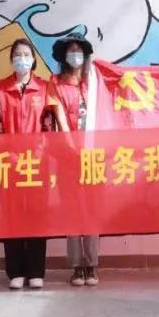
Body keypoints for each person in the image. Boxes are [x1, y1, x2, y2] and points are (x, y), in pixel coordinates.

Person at [0, 39, 50, 290]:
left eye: (26, 54)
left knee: (37, 215)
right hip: (9, 162)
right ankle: (15, 271)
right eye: (17, 54)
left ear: (33, 59)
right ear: (11, 60)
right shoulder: (1, 88)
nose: (22, 59)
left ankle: (36, 271)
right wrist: (6, 153)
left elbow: (49, 126)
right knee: (12, 215)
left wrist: (39, 152)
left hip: (36, 162)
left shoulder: (44, 88)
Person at [47, 33, 101, 287]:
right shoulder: (55, 83)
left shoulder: (94, 82)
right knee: (71, 211)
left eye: (79, 50)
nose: (75, 55)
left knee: (91, 210)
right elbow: (59, 116)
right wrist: (70, 145)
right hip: (67, 156)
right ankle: (77, 266)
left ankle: (92, 265)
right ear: (64, 56)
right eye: (71, 50)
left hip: (94, 156)